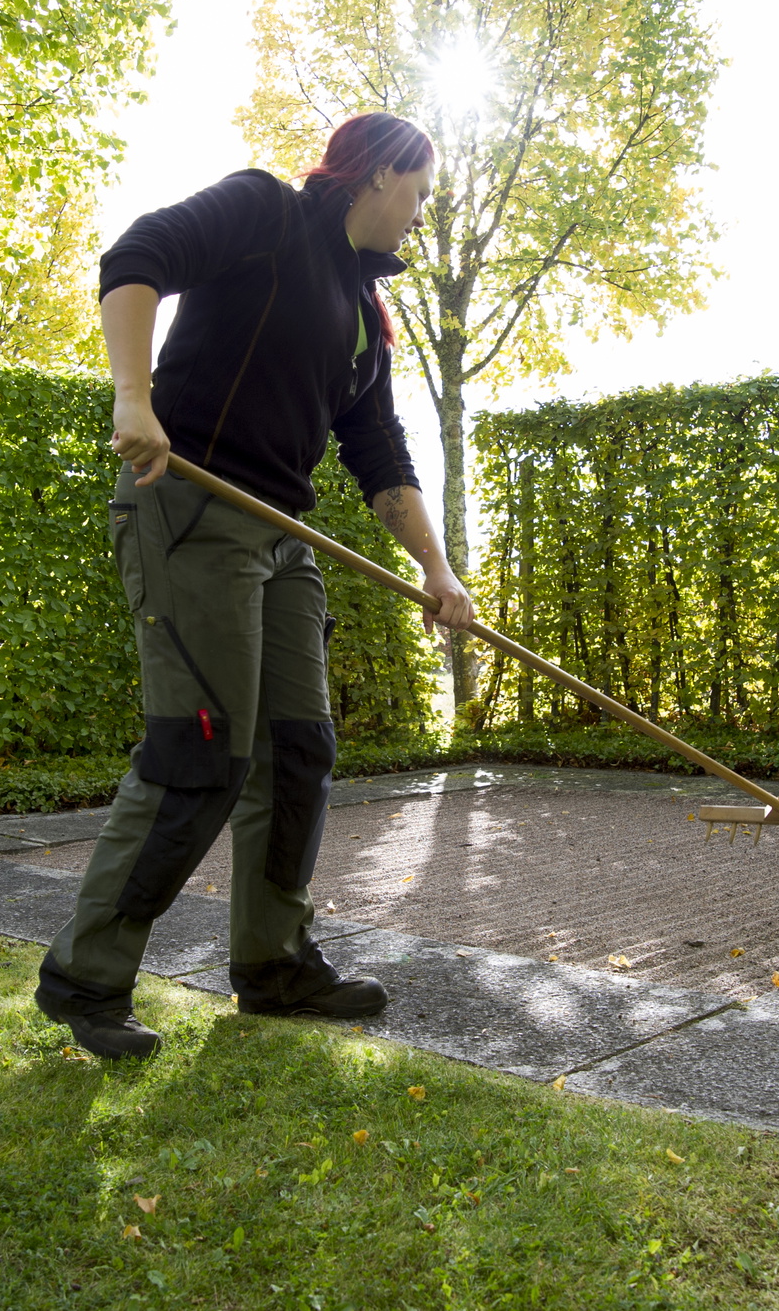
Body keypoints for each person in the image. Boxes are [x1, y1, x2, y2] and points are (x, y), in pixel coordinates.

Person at [33, 113, 475, 1060]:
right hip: (188, 502)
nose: (420, 214)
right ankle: (88, 977)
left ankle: (273, 966)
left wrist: (437, 572)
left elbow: (380, 455)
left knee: (297, 750)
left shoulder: (365, 310)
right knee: (200, 752)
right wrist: (133, 394)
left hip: (283, 535)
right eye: (422, 192)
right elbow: (136, 258)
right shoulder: (265, 210)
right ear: (383, 173)